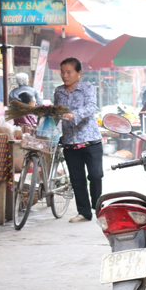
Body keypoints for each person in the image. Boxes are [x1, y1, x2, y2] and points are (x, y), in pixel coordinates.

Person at [54, 57, 103, 223]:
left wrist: (74, 115)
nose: (64, 75)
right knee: (77, 179)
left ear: (79, 73)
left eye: (68, 72)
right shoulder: (58, 91)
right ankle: (84, 212)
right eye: (62, 72)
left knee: (95, 176)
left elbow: (91, 107)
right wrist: (47, 128)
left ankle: (98, 207)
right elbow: (56, 114)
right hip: (69, 142)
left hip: (91, 140)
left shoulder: (87, 88)